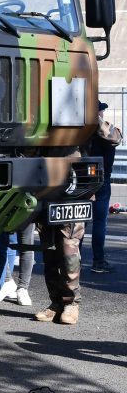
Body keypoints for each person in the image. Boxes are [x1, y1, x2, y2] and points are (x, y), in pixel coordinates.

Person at [89, 102, 121, 273]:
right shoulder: (105, 131)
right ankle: (98, 261)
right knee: (99, 222)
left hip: (81, 178)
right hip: (101, 178)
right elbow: (116, 138)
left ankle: (74, 262)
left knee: (79, 221)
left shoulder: (80, 130)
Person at [34, 220, 85, 324]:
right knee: (50, 255)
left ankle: (71, 303)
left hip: (71, 208)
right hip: (47, 207)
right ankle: (57, 303)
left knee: (69, 255)